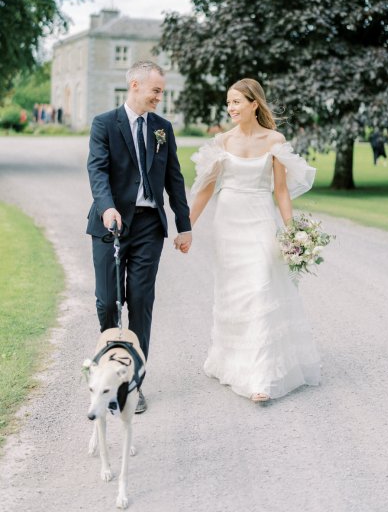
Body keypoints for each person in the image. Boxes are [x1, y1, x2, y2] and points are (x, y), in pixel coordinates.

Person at [190, 78, 320, 403]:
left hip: (260, 217)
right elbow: (206, 188)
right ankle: (232, 361)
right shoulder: (221, 141)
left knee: (262, 286)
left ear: (254, 104)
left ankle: (261, 377)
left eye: (236, 102)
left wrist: (292, 232)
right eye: (228, 102)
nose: (231, 108)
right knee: (236, 293)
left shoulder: (274, 139)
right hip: (229, 222)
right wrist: (186, 226)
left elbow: (281, 190)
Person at [87, 60, 192, 413]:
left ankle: (133, 383)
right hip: (111, 223)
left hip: (149, 225)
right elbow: (97, 169)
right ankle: (108, 373)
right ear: (135, 84)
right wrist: (106, 207)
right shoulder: (104, 123)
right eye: (156, 90)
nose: (159, 97)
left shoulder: (162, 128)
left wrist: (184, 224)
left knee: (141, 302)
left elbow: (173, 178)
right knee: (107, 301)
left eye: (161, 91)